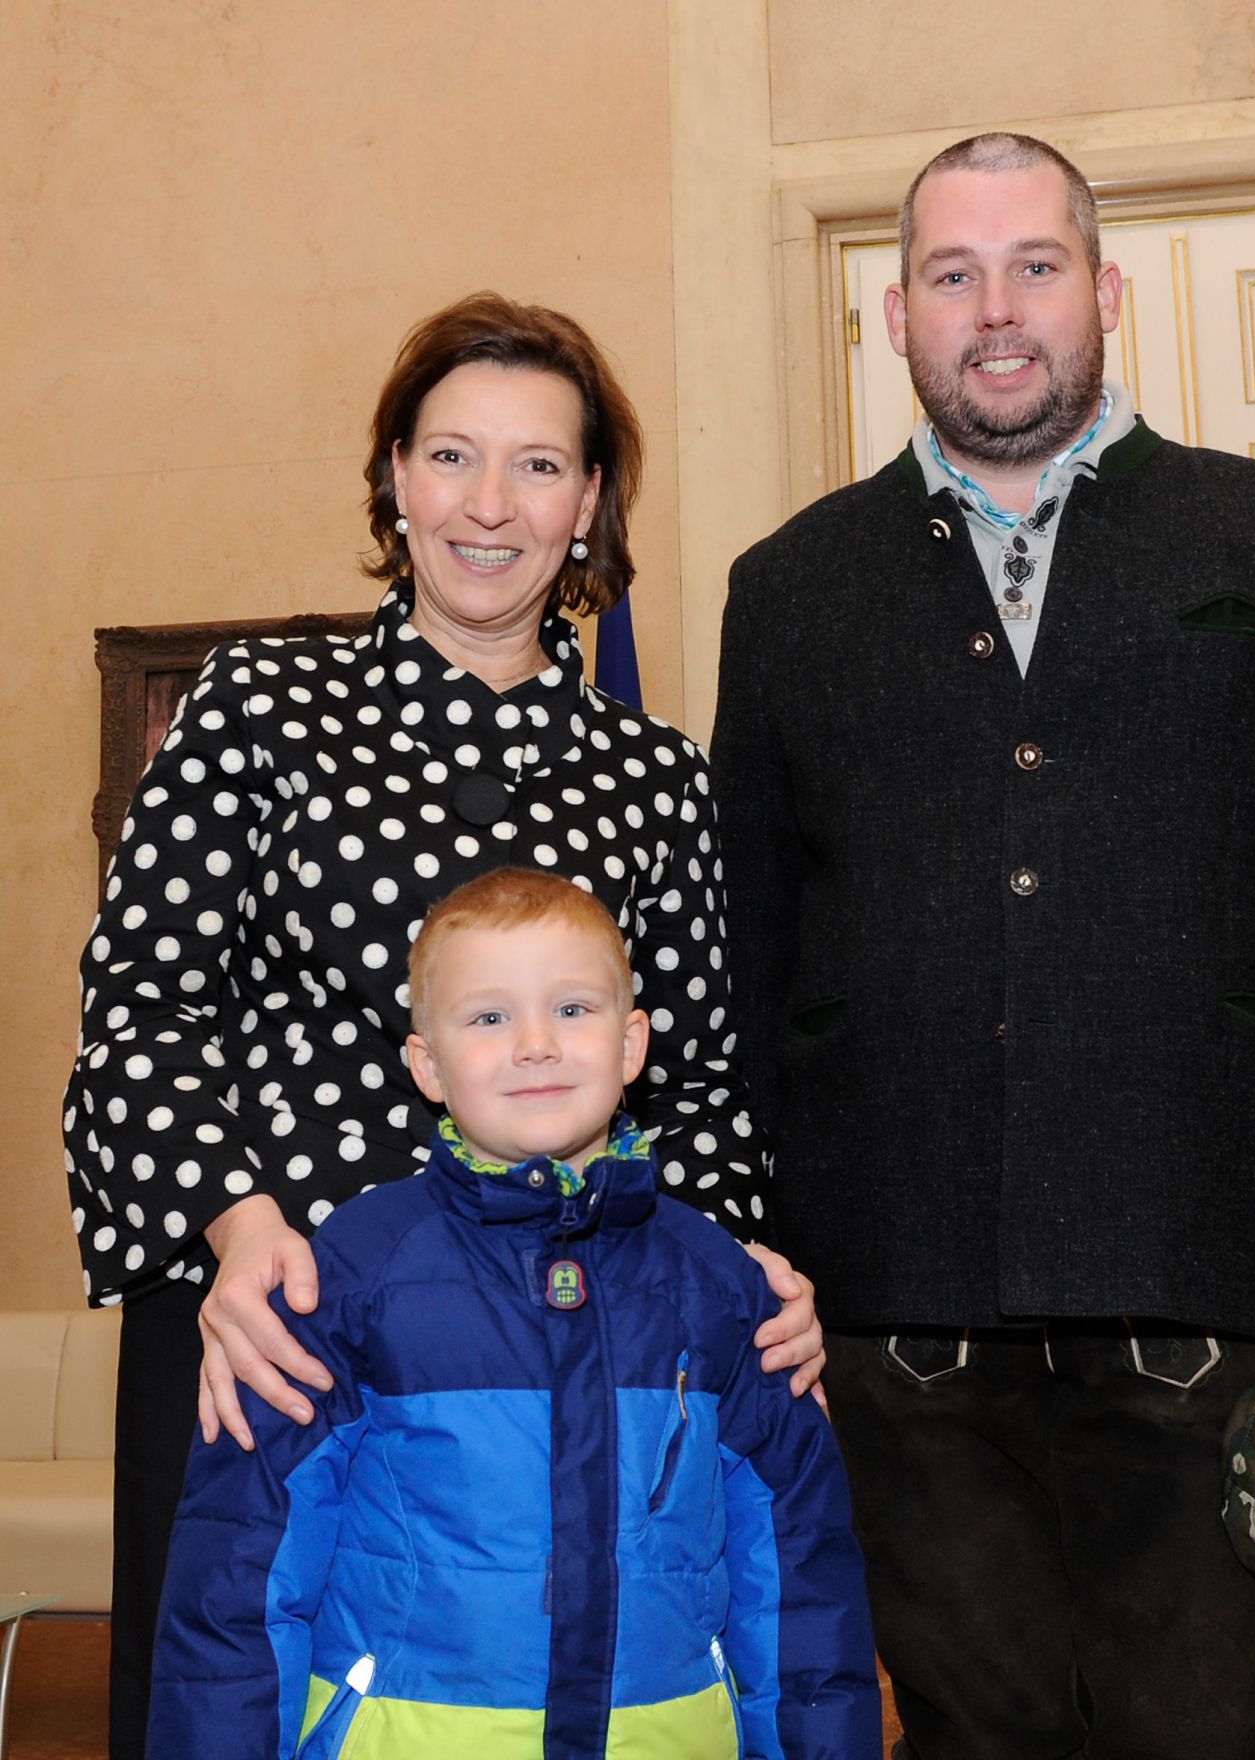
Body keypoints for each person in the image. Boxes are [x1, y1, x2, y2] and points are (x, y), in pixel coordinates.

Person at [710, 133, 1255, 1760]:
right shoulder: (788, 592)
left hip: (1196, 1298)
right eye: (950, 273)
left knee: (1195, 1737)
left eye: (1032, 265)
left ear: (1106, 291)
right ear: (895, 318)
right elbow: (740, 952)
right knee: (972, 1738)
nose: (993, 309)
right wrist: (741, 1240)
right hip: (893, 1318)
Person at [63, 293, 823, 1760]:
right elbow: (141, 1008)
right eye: (452, 457)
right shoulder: (261, 709)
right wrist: (235, 1233)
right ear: (394, 478)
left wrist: (740, 1277)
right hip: (272, 1321)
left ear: (591, 501)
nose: (491, 506)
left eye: (540, 466)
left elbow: (703, 1083)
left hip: (555, 1366)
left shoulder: (654, 773)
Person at [147, 868, 881, 1760]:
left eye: (573, 1009)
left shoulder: (723, 1289)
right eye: (489, 1018)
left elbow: (801, 1584)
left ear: (632, 1044)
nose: (536, 1044)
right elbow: (237, 1584)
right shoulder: (343, 1279)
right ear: (426, 1064)